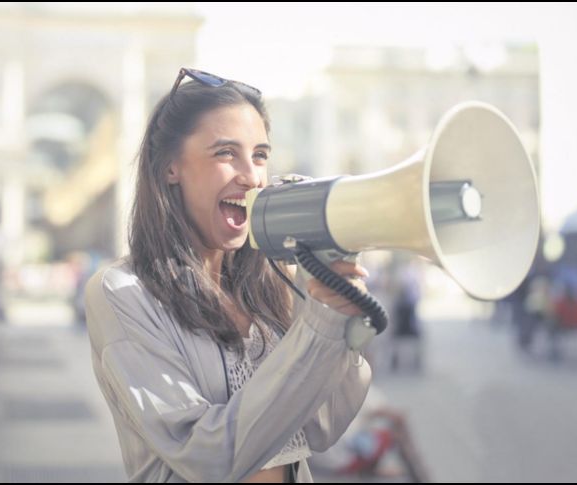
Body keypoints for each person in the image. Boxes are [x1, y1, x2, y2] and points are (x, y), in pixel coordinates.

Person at [84, 68, 372, 483]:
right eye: (225, 153)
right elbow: (206, 456)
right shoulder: (122, 293)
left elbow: (320, 426)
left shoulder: (273, 282)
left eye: (259, 155)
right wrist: (317, 326)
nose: (251, 176)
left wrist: (337, 318)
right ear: (170, 168)